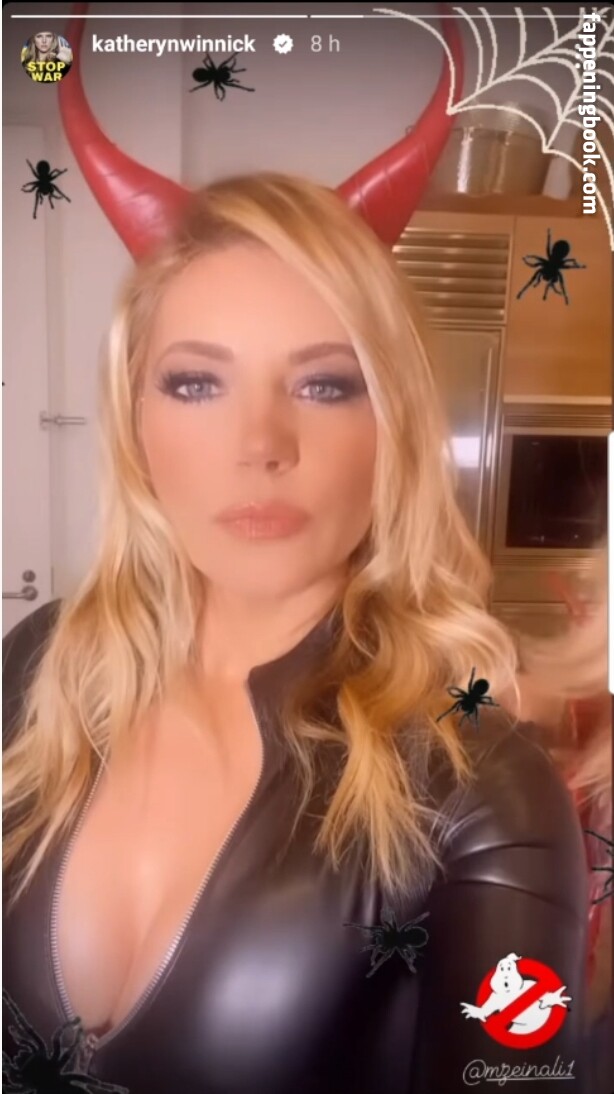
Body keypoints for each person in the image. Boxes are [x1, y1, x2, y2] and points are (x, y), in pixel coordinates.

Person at [2, 171, 589, 1094]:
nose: (260, 445)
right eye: (196, 383)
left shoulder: (484, 792)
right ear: (135, 420)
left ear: (393, 426)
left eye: (324, 385)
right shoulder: (40, 666)